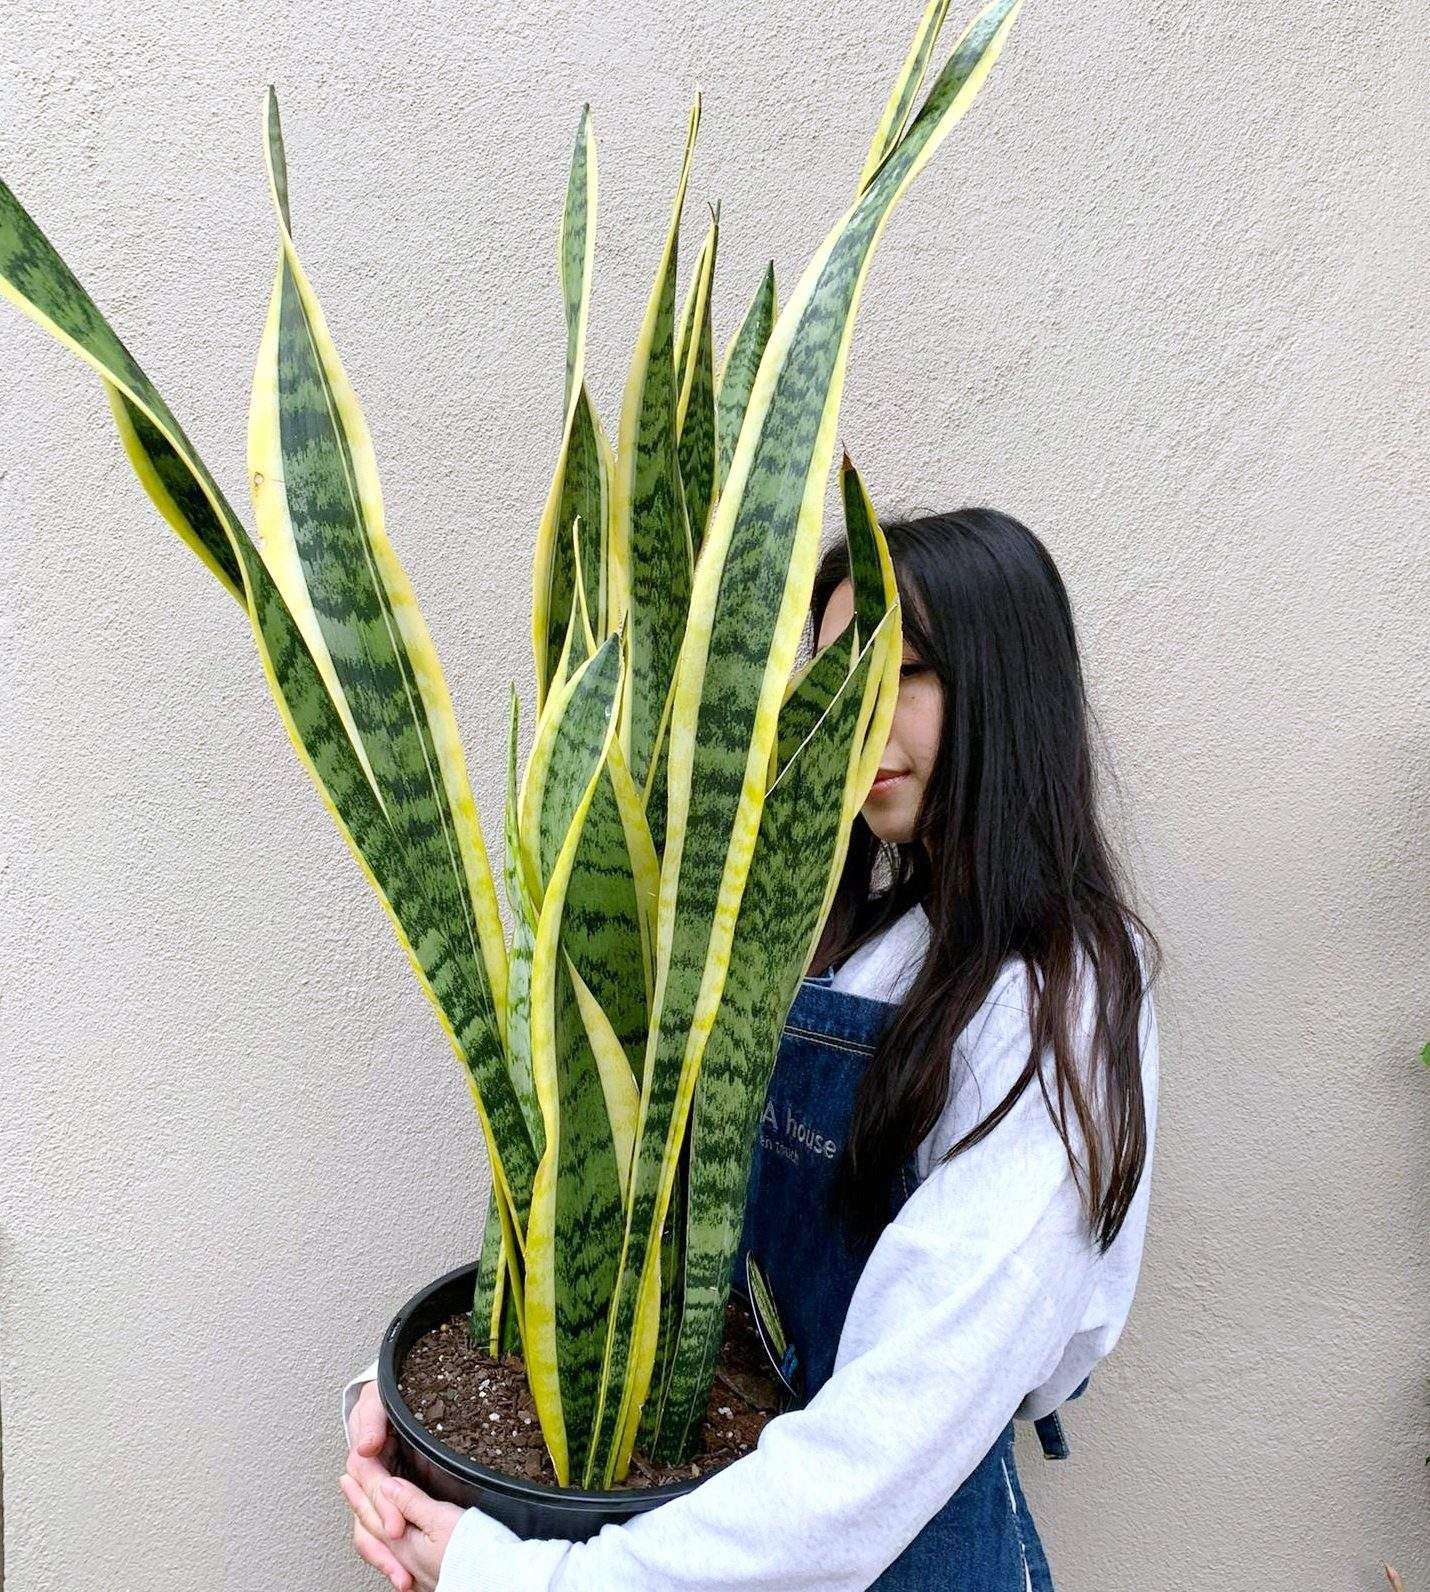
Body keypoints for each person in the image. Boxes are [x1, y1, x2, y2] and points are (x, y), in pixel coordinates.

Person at [337, 506, 1163, 1592]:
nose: (855, 719)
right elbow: (640, 1251)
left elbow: (890, 1436)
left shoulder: (1057, 994)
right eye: (831, 680)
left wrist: (520, 1575)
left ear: (1007, 691)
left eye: (902, 673)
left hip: (880, 1547)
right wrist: (410, 1409)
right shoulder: (839, 945)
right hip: (728, 1529)